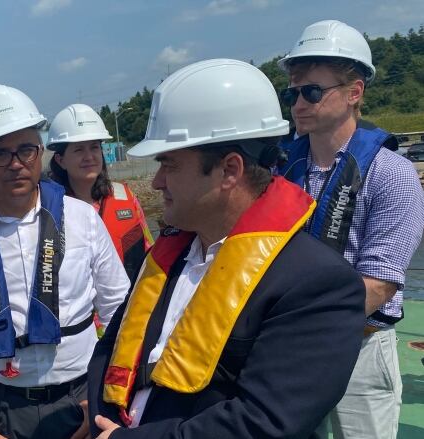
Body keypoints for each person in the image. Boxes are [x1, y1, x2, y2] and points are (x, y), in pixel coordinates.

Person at [87, 59, 367, 439]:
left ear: (230, 171)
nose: (156, 182)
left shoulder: (317, 284)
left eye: (169, 165)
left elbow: (265, 421)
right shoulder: (168, 257)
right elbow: (110, 348)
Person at [0, 84, 130, 439]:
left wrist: (106, 397)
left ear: (41, 152)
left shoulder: (84, 221)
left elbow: (121, 314)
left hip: (80, 400)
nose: (15, 163)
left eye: (26, 150)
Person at [277, 20, 424, 438]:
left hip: (356, 349)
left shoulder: (390, 174)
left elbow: (380, 282)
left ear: (354, 92)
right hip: (289, 350)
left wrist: (298, 322)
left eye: (312, 91)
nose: (299, 104)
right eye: (292, 93)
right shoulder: (283, 171)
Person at [47, 104, 154, 281]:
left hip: (130, 303)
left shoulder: (125, 197)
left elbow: (150, 249)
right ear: (61, 160)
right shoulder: (50, 208)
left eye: (94, 147)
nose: (89, 156)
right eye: (79, 149)